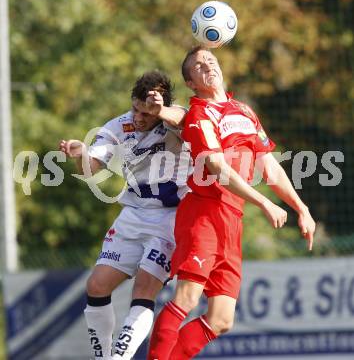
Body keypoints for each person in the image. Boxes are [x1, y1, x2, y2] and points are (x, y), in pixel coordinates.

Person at [147, 46, 316, 360]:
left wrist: (301, 208)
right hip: (203, 213)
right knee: (187, 296)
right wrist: (265, 204)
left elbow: (270, 167)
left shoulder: (245, 111)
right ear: (191, 83)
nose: (207, 63)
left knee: (221, 319)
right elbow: (218, 169)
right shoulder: (199, 114)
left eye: (210, 59)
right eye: (198, 65)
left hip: (231, 219)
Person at [59, 71, 190, 360]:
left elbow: (184, 119)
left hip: (170, 219)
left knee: (144, 287)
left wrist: (163, 111)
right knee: (96, 285)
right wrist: (80, 153)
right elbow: (92, 167)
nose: (140, 118)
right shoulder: (119, 125)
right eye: (136, 109)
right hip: (133, 214)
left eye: (147, 112)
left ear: (160, 108)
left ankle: (119, 357)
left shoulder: (176, 121)